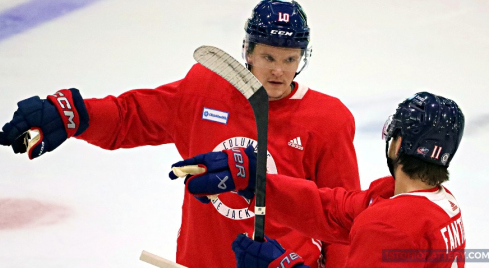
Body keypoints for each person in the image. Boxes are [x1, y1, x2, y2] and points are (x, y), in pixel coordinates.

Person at [0, 0, 360, 268]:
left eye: (289, 59)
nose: (279, 71)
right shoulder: (205, 89)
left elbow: (344, 222)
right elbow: (133, 116)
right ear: (248, 52)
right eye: (268, 58)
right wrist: (76, 115)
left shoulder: (327, 119)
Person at [176, 92, 466, 267]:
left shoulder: (388, 226)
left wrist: (281, 266)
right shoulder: (435, 203)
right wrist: (257, 183)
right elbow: (331, 210)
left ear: (396, 144)